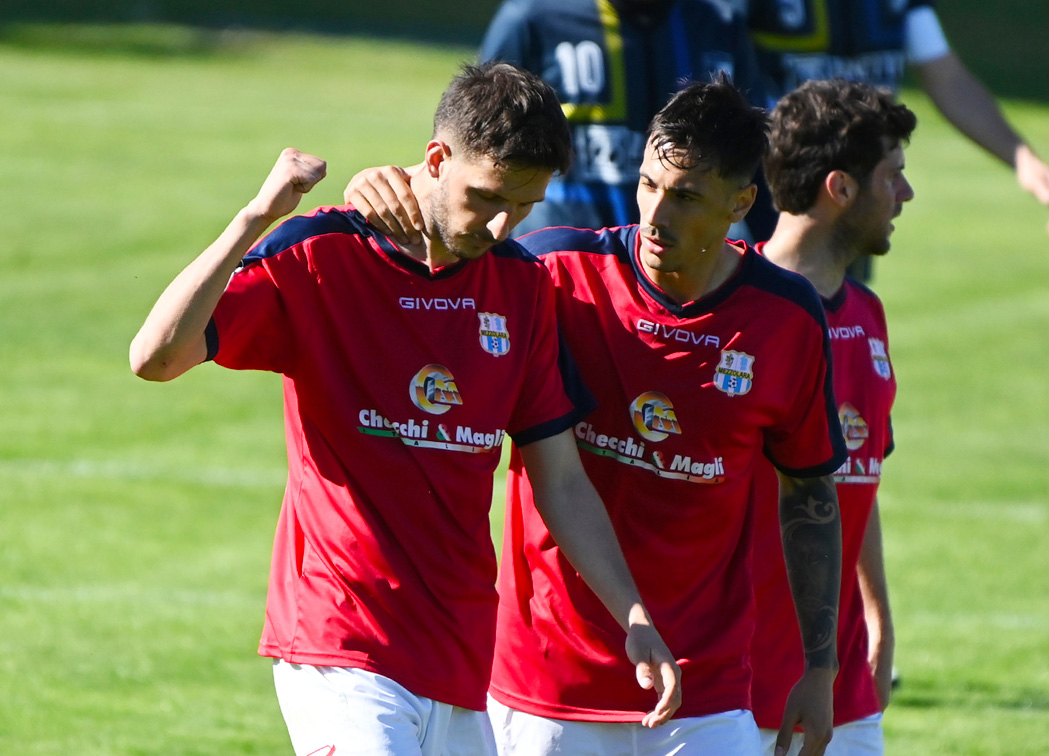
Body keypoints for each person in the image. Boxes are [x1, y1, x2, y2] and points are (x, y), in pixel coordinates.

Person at [129, 62, 681, 756]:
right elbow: (155, 356)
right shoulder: (322, 254)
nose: (504, 223)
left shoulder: (521, 287)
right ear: (436, 159)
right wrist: (256, 216)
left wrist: (632, 613)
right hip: (342, 642)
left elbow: (562, 480)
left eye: (527, 205)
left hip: (457, 654)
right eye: (487, 197)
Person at [345, 74, 846, 756]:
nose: (656, 214)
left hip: (705, 689)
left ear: (742, 202)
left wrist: (820, 668)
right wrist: (380, 184)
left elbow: (810, 492)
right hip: (545, 685)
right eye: (647, 185)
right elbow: (443, 241)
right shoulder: (554, 273)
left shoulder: (786, 319)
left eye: (687, 196)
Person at [750, 78, 915, 755]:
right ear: (840, 189)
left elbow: (858, 475)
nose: (905, 195)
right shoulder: (736, 314)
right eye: (892, 176)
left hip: (841, 681)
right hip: (738, 683)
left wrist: (878, 610)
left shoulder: (868, 315)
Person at [746, 0, 1049, 276]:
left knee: (840, 324)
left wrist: (1022, 158)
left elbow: (946, 76)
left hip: (862, 194)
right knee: (766, 318)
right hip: (769, 194)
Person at [480, 0, 761, 237]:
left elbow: (754, 151)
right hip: (561, 265)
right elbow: (481, 147)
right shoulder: (533, 17)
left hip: (681, 272)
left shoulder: (719, 22)